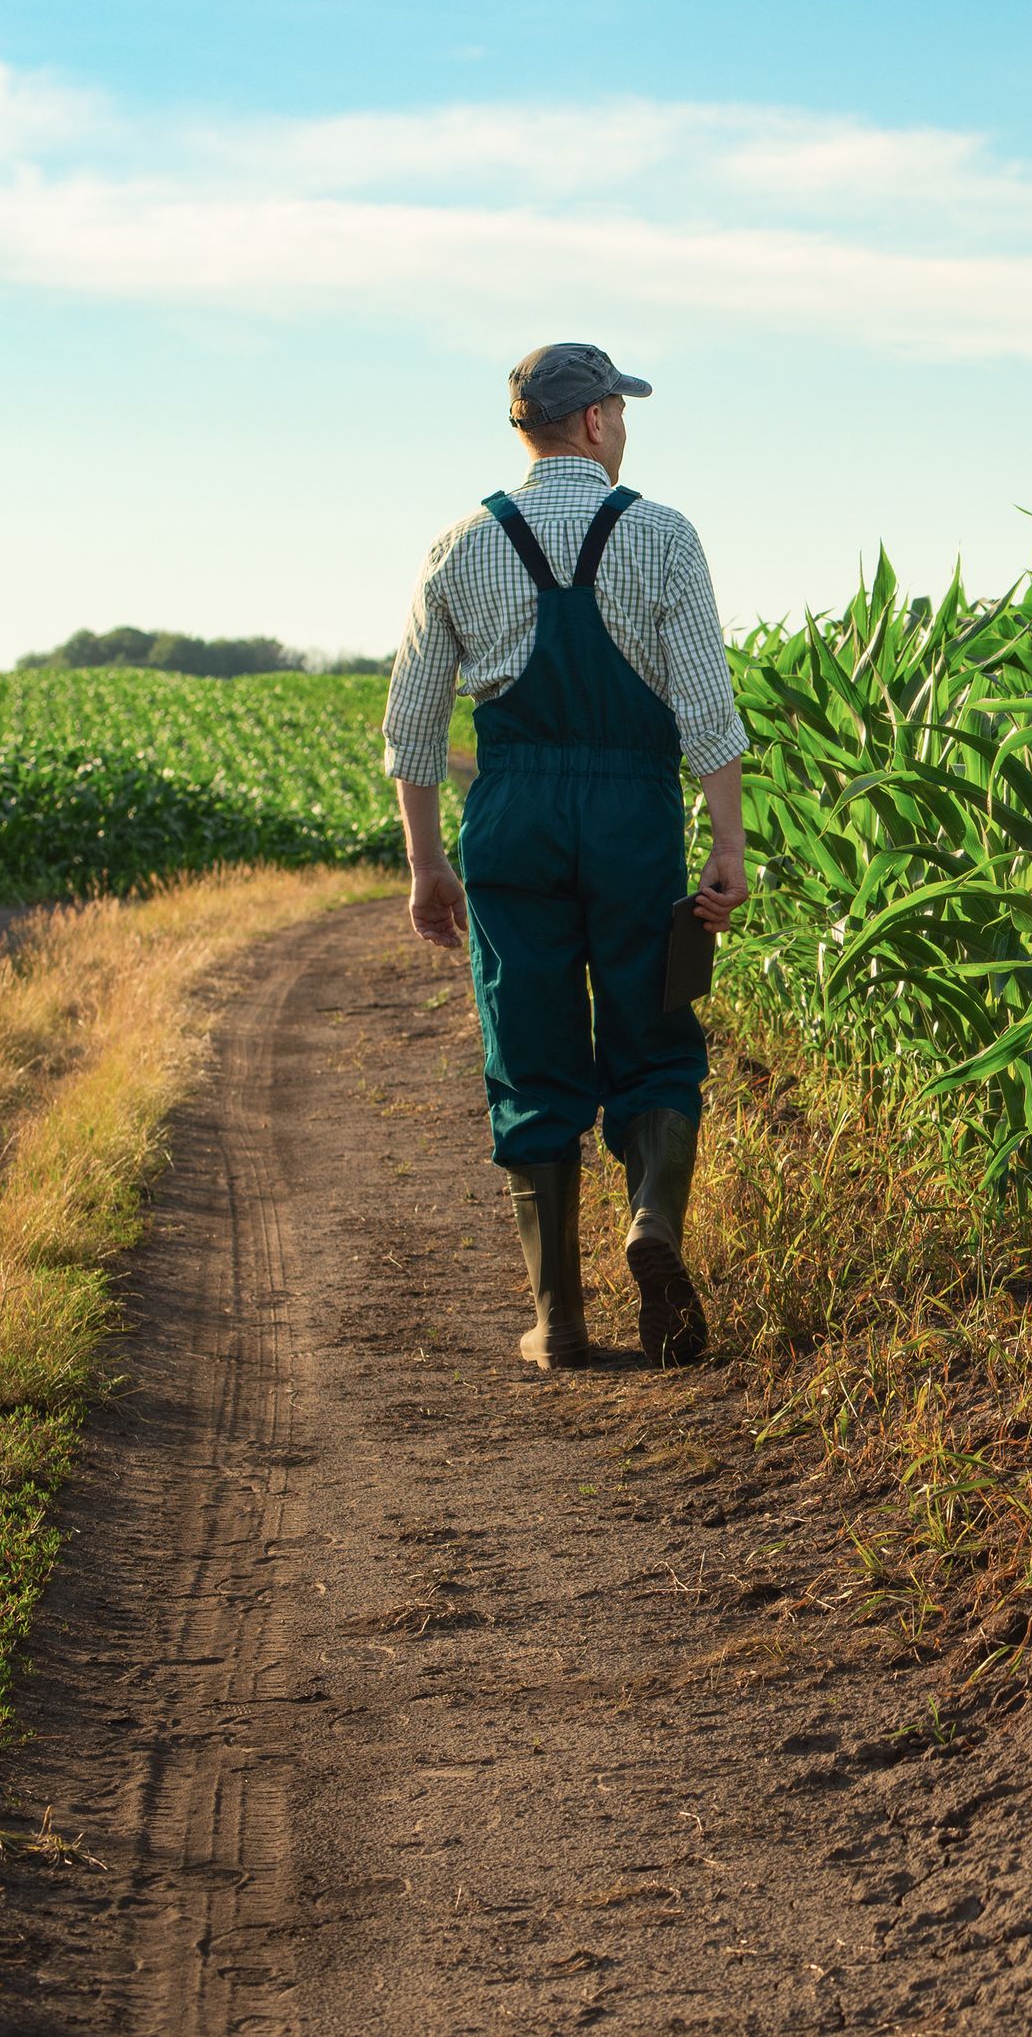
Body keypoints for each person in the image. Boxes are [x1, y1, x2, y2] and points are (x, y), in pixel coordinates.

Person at [382, 344, 749, 1370]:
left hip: (513, 815)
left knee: (530, 1051)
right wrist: (725, 845)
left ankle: (561, 1320)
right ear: (592, 420)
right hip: (632, 815)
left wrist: (426, 863)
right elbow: (706, 712)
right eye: (619, 411)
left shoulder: (459, 544)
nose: (624, 427)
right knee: (656, 1031)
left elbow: (411, 729)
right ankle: (652, 1224)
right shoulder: (663, 536)